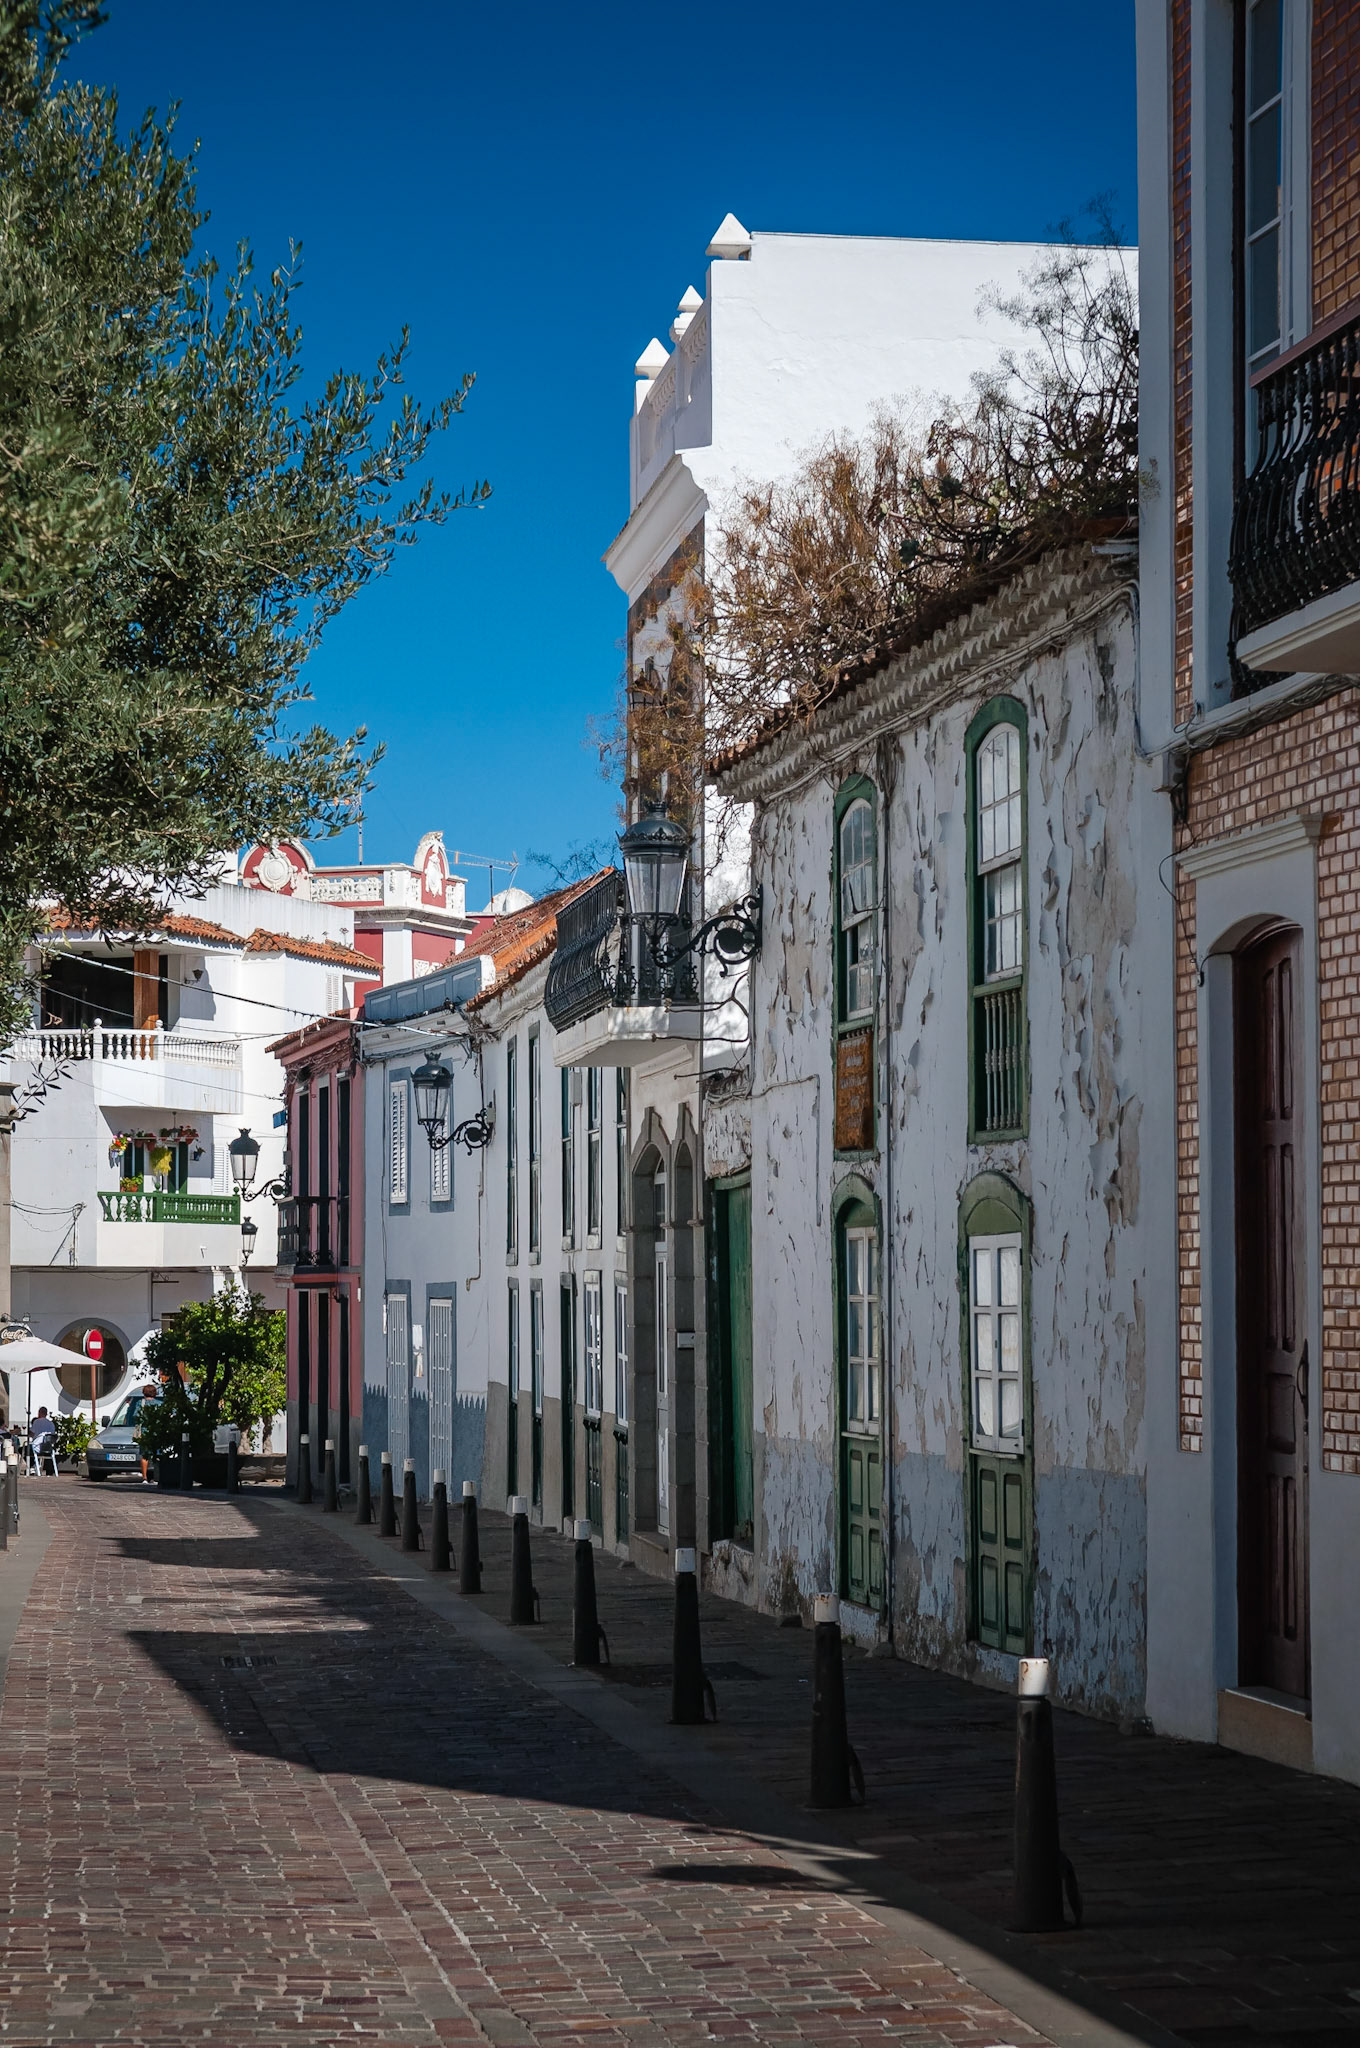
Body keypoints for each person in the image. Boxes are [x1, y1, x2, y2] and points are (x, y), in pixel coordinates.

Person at [137, 1382, 159, 1486]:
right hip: (157, 1431)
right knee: (157, 1455)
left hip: (145, 1432)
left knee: (145, 1455)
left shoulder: (140, 1403)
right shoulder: (159, 1404)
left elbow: (136, 1416)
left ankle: (145, 1478)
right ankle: (156, 1477)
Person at [30, 1407, 56, 1476]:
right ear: (46, 1414)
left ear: (39, 1413)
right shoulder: (51, 1424)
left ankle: (32, 1466)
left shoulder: (36, 1422)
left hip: (37, 1447)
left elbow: (32, 1434)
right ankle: (47, 1470)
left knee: (24, 1450)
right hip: (48, 1447)